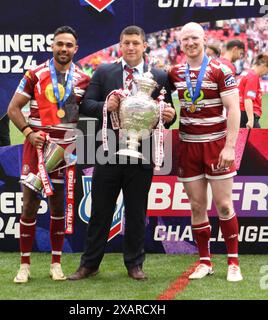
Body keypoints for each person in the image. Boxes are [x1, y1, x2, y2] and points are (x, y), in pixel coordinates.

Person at [68, 25, 176, 281]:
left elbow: (167, 115)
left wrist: (170, 116)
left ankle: (134, 264)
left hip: (143, 153)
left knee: (137, 212)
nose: (130, 47)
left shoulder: (158, 76)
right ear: (120, 44)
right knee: (100, 211)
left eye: (135, 43)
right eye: (126, 43)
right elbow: (86, 105)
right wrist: (107, 105)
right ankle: (89, 264)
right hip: (108, 153)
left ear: (144, 46)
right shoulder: (105, 71)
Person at [7, 26, 90, 283]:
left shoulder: (83, 79)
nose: (63, 49)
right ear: (52, 46)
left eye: (68, 45)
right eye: (59, 44)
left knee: (58, 207)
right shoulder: (35, 74)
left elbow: (88, 115)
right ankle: (24, 265)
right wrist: (29, 132)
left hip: (65, 150)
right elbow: (13, 109)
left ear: (76, 49)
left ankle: (56, 263)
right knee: (30, 204)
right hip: (38, 147)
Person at [169, 22, 243, 282]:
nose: (190, 43)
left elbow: (234, 109)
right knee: (197, 206)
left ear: (204, 39)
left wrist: (230, 146)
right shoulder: (175, 72)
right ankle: (204, 261)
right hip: (188, 145)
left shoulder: (221, 69)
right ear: (180, 43)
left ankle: (233, 262)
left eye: (194, 38)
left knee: (224, 205)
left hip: (215, 144)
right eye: (185, 39)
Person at [238, 53, 268, 128]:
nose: (266, 74)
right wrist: (251, 120)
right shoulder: (253, 76)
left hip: (241, 112)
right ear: (263, 66)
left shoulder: (246, 73)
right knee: (259, 139)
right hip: (246, 114)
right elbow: (248, 99)